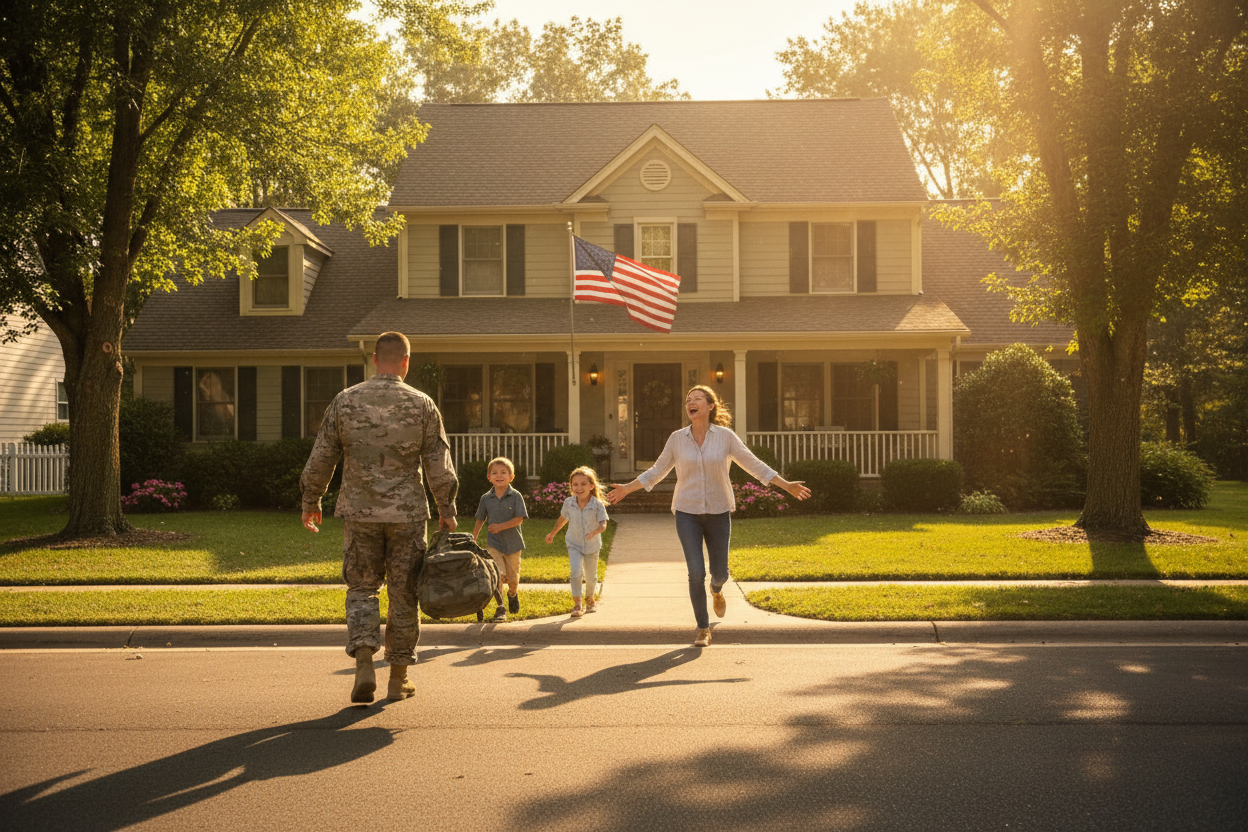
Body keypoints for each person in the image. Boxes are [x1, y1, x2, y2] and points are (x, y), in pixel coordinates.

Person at [300, 331, 458, 704]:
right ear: (405, 361)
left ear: (375, 359)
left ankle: (365, 662)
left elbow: (322, 456)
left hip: (359, 513)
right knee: (404, 594)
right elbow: (438, 462)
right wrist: (446, 509)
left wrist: (312, 499)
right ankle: (398, 678)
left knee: (362, 589)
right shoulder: (422, 404)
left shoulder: (345, 401)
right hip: (407, 515)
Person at [607, 385, 810, 647]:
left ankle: (717, 590)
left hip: (718, 511)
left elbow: (753, 464)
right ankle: (703, 628)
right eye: (688, 400)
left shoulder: (725, 437)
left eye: (697, 399)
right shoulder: (677, 439)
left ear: (710, 406)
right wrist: (626, 488)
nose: (690, 403)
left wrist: (787, 485)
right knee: (694, 572)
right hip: (686, 512)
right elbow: (656, 471)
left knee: (719, 573)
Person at [545, 465, 610, 618]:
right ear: (571, 486)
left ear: (591, 486)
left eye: (583, 484)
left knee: (590, 576)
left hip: (592, 545)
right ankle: (577, 603)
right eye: (575, 484)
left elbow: (604, 524)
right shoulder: (569, 503)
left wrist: (595, 532)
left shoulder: (597, 504)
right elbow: (563, 519)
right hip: (573, 543)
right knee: (575, 572)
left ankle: (590, 599)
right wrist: (553, 533)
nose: (579, 488)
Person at [472, 457, 528, 622]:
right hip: (494, 544)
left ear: (511, 477)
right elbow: (480, 518)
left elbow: (519, 519)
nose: (499, 475)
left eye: (503, 472)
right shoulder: (485, 498)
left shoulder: (516, 496)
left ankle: (513, 594)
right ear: (489, 477)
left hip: (513, 544)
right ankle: (500, 607)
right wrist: (474, 537)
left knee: (513, 578)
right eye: (495, 473)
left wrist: (500, 526)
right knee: (497, 575)